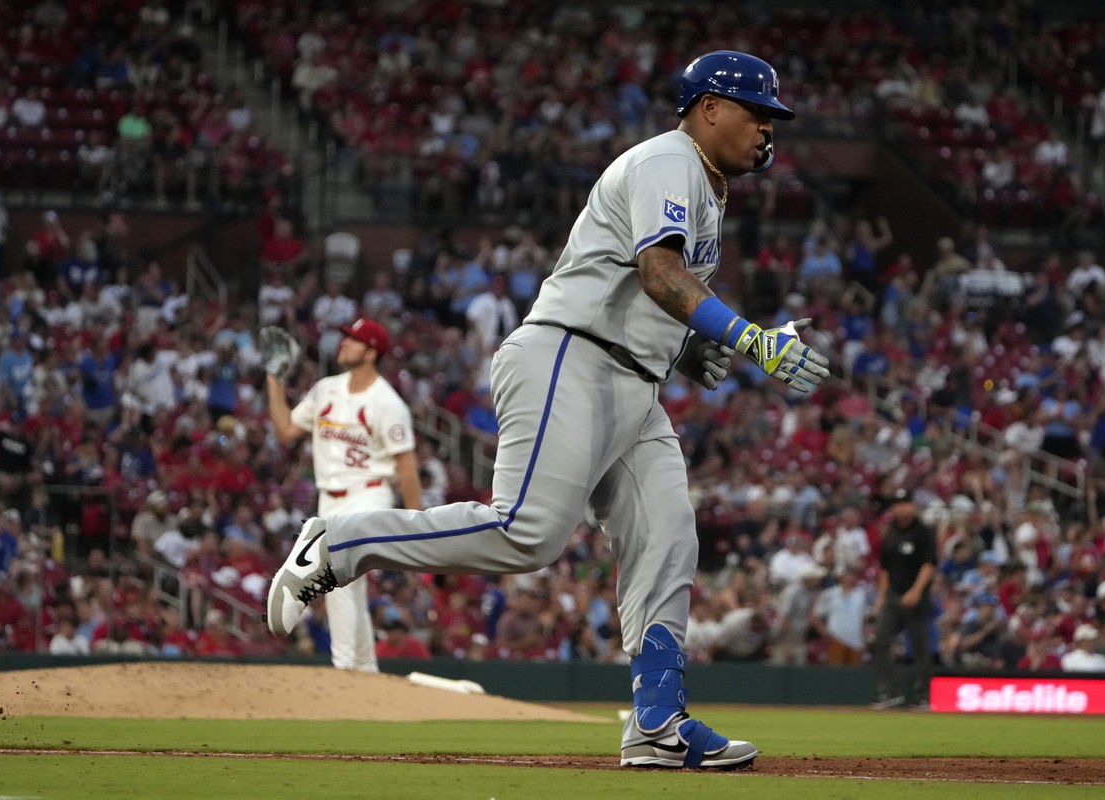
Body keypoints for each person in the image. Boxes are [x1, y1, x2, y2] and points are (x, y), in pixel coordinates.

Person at [266, 51, 828, 769]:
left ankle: (657, 723)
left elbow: (646, 287)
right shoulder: (669, 160)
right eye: (756, 112)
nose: (766, 130)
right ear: (709, 107)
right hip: (571, 355)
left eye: (772, 118)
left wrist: (686, 347)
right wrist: (749, 339)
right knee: (528, 534)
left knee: (668, 540)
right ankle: (340, 543)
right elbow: (660, 272)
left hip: (630, 379)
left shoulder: (707, 188)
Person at [266, 318, 422, 672]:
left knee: (334, 576)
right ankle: (364, 670)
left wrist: (417, 523)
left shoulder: (387, 402)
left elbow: (407, 467)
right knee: (348, 586)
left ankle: (346, 670)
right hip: (329, 499)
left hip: (369, 495)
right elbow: (286, 430)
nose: (343, 344)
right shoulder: (325, 389)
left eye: (353, 340)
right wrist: (274, 380)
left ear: (371, 352)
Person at [871, 488, 936, 710]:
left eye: (905, 502)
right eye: (897, 503)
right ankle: (889, 693)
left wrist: (917, 591)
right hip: (893, 596)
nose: (901, 507)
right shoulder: (890, 533)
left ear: (913, 505)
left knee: (920, 648)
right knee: (880, 640)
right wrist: (881, 598)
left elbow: (929, 564)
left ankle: (922, 696)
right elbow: (885, 570)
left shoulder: (923, 532)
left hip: (916, 596)